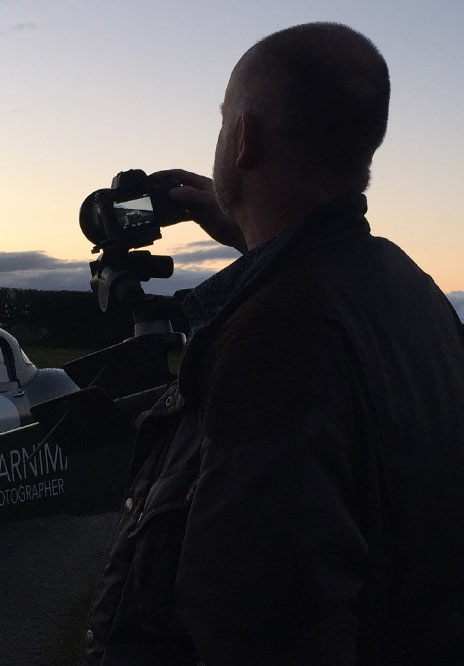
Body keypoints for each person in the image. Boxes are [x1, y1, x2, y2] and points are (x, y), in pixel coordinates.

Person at [83, 23, 464, 665]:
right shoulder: (413, 292)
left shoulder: (280, 341)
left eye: (224, 119)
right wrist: (252, 234)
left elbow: (256, 623)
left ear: (246, 139)